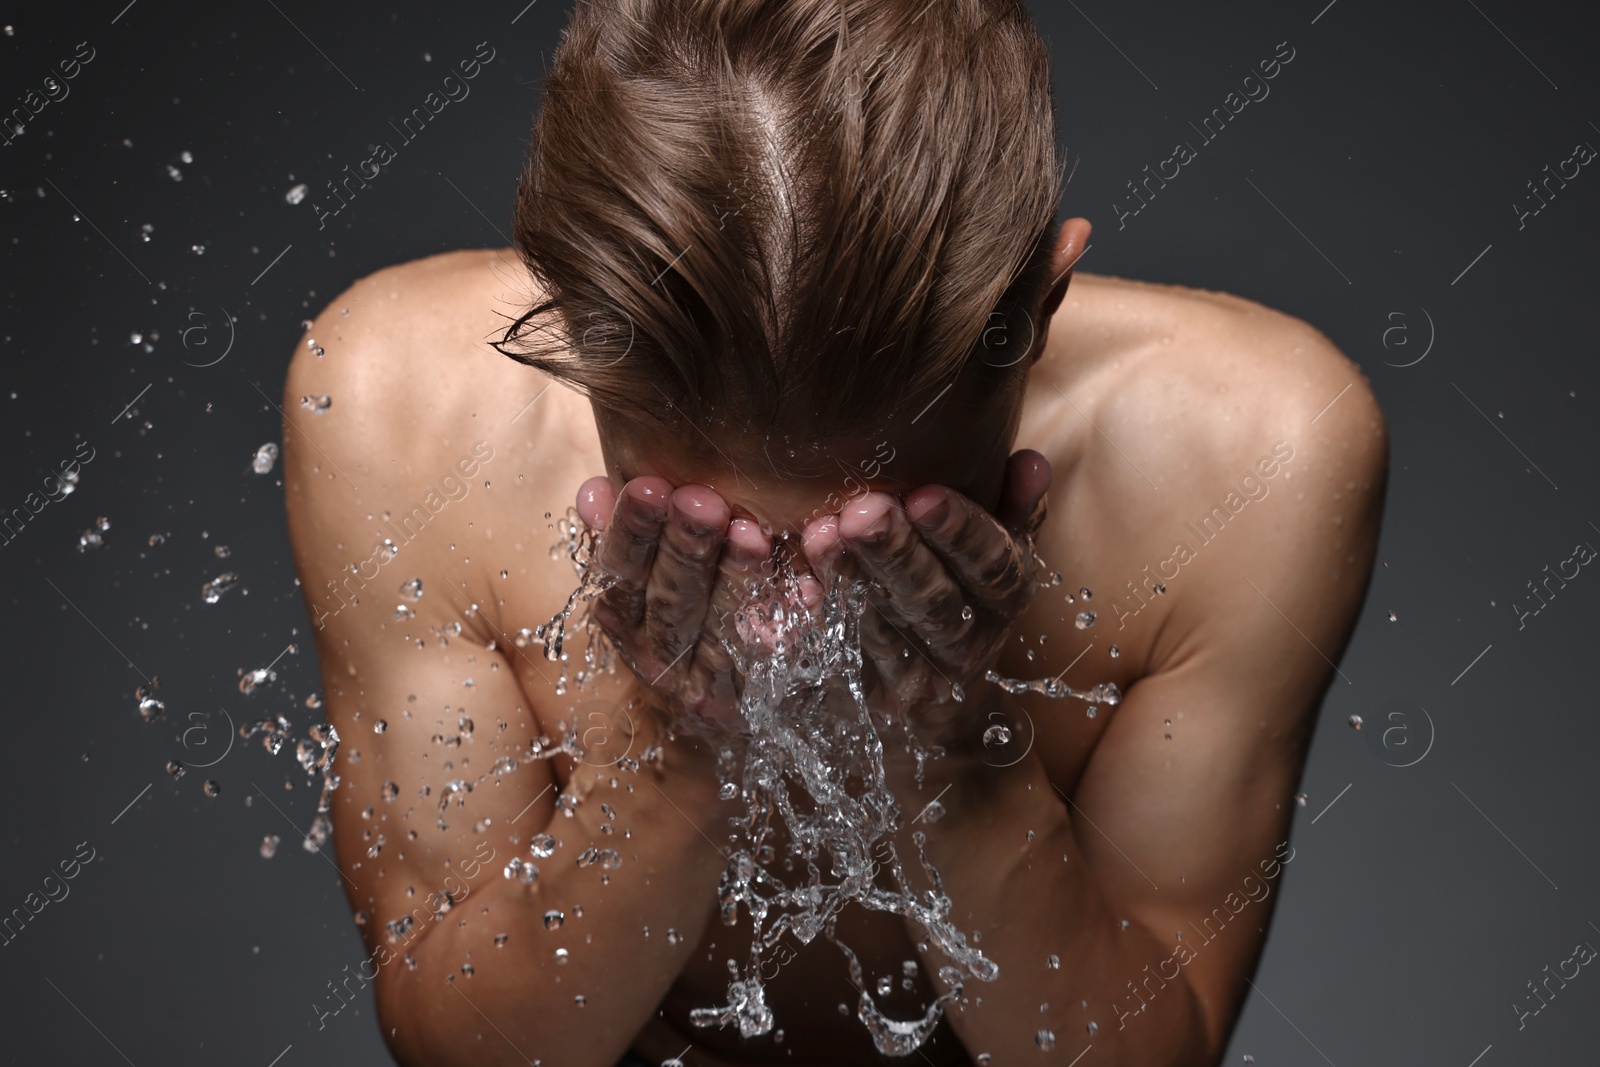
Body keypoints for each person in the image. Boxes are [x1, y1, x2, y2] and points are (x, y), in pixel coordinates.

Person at [282, 0, 1387, 1064]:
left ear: (1035, 313)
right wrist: (676, 755)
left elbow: (1142, 1049)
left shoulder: (1256, 446)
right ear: (574, 326)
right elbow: (464, 1044)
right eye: (715, 542)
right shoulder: (397, 404)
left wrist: (959, 754)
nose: (789, 609)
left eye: (872, 539)